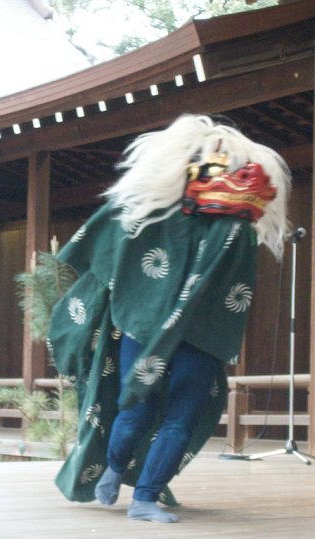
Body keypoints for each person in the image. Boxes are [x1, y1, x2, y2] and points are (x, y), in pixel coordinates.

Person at [47, 114, 291, 523]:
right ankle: (115, 466)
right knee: (137, 409)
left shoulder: (235, 225)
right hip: (148, 326)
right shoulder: (155, 213)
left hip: (199, 334)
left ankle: (145, 496)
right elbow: (113, 239)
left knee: (179, 416)